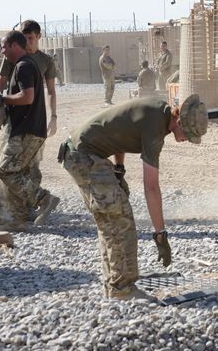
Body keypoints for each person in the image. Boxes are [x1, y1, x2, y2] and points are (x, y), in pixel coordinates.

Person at [58, 94, 208, 301]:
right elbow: (151, 188)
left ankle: (115, 286)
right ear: (180, 121)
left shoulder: (157, 108)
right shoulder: (155, 130)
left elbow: (120, 131)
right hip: (84, 155)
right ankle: (123, 289)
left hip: (83, 152)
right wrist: (160, 232)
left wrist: (118, 169)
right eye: (188, 135)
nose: (187, 141)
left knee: (111, 221)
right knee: (120, 220)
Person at [0, 30, 59, 231]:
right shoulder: (23, 65)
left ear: (14, 46)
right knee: (18, 173)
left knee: (6, 171)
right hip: (30, 130)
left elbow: (27, 98)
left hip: (26, 132)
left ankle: (44, 199)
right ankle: (19, 219)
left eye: (3, 46)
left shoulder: (23, 66)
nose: (2, 51)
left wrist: (2, 99)